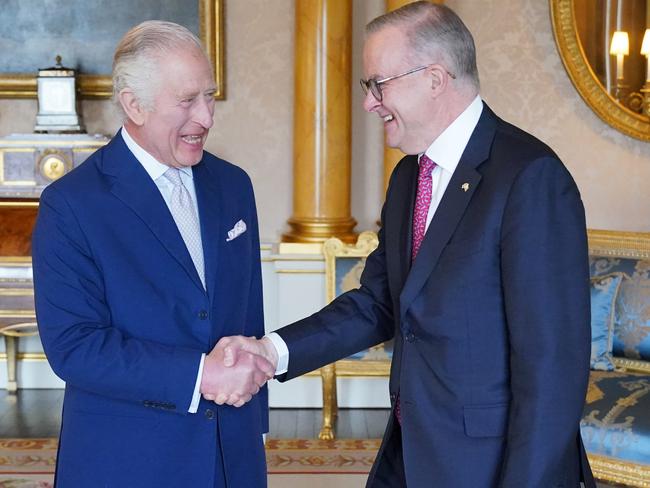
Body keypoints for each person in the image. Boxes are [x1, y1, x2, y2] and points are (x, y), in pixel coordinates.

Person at [217, 3, 596, 487]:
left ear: (434, 78)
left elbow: (551, 371)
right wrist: (272, 352)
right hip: (412, 450)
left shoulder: (528, 177)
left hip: (494, 466)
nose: (370, 102)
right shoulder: (409, 178)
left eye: (378, 84)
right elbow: (379, 302)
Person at [32, 21, 273, 487]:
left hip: (232, 452)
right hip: (127, 460)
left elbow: (249, 317)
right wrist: (199, 376)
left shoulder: (233, 185)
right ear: (133, 105)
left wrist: (252, 431)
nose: (206, 116)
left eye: (210, 95)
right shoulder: (72, 204)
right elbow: (75, 347)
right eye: (187, 101)